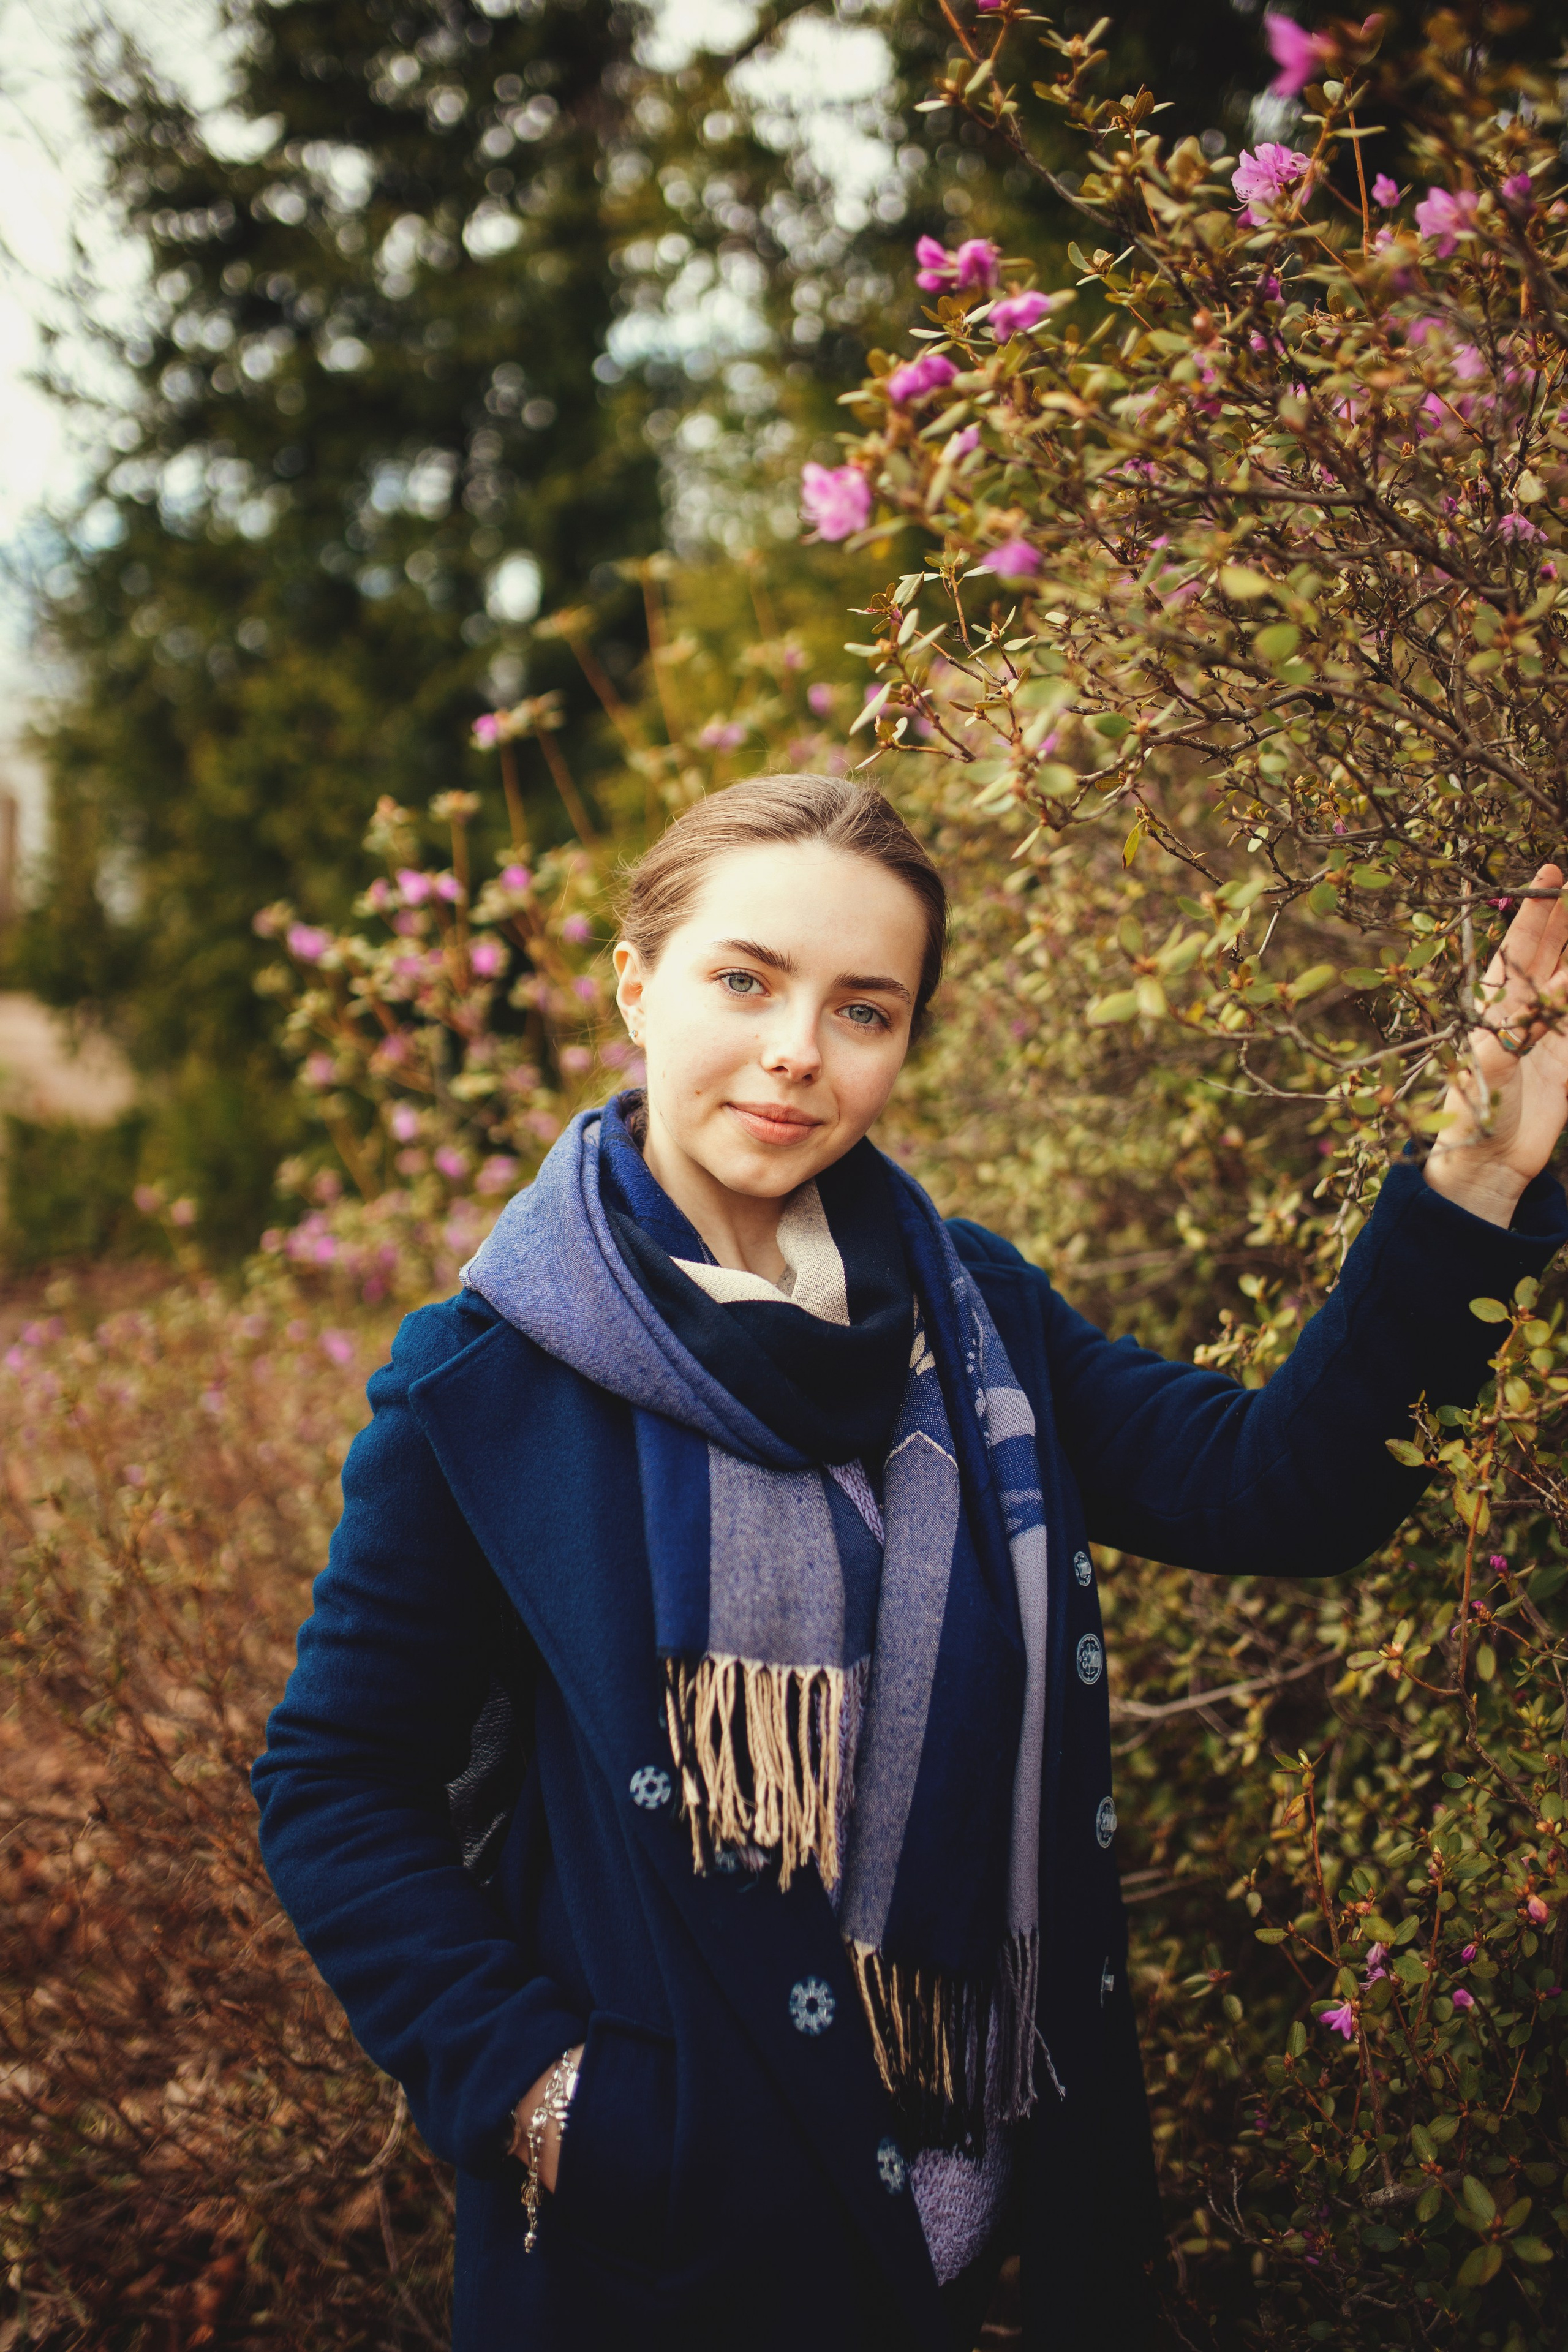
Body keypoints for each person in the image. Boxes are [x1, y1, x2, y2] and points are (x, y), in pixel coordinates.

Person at [253, 775, 1568, 2352]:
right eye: (743, 979)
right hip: (646, 2268)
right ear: (633, 984)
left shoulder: (974, 1321)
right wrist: (550, 2099)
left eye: (861, 1007)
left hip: (954, 2244)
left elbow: (1275, 1492)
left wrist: (1474, 1171)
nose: (798, 1046)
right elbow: (335, 1784)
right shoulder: (483, 1386)